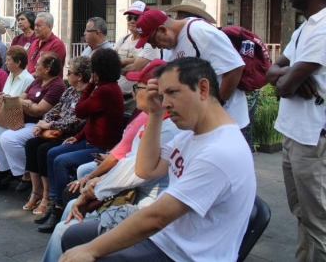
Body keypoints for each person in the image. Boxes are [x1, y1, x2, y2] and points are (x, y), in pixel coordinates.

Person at [59, 58, 256, 262]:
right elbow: (146, 169)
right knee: (73, 237)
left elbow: (157, 218)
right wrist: (154, 114)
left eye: (172, 92)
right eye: (163, 95)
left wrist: (91, 250)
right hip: (168, 239)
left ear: (203, 89)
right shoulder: (191, 136)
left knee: (86, 252)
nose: (166, 103)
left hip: (184, 254)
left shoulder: (220, 152)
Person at [41, 59, 180, 262]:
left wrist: (96, 186)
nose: (133, 93)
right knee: (69, 197)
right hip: (130, 191)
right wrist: (96, 182)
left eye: (137, 87)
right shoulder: (152, 121)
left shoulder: (168, 129)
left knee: (65, 228)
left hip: (141, 205)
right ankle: (53, 205)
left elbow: (137, 169)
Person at [266, 0, 326, 260]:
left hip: (312, 138)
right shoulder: (305, 29)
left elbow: (283, 86)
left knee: (318, 221)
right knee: (302, 213)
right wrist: (287, 78)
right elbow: (271, 72)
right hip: (293, 133)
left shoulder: (324, 28)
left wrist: (286, 80)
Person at [38, 48, 126, 233]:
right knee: (52, 152)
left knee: (61, 161)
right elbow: (93, 119)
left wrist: (89, 86)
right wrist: (77, 137)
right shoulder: (104, 88)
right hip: (89, 141)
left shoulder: (105, 90)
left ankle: (59, 208)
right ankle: (54, 201)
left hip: (100, 147)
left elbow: (80, 111)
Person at [135, 8, 249, 129]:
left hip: (228, 118)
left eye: (152, 41)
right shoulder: (170, 48)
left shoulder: (199, 31)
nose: (153, 46)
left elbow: (235, 68)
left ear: (163, 29)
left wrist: (214, 106)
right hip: (198, 121)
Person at [23, 56, 90, 218]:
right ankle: (36, 191)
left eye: (70, 72)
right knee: (31, 144)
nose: (67, 74)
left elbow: (78, 122)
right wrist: (43, 123)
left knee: (44, 150)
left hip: (71, 136)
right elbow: (55, 110)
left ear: (79, 76)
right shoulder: (70, 90)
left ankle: (48, 197)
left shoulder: (87, 94)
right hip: (56, 132)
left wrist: (51, 125)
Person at [0, 52, 66, 188]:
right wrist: (27, 104)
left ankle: (27, 173)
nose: (34, 67)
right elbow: (20, 99)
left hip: (40, 124)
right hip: (22, 119)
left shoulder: (57, 86)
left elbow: (39, 111)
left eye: (37, 64)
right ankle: (8, 170)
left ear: (47, 69)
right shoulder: (37, 80)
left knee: (8, 138)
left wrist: (25, 103)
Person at [114, 1, 160, 119]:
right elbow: (109, 60)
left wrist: (117, 64)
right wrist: (131, 60)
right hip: (118, 97)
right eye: (129, 17)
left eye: (136, 17)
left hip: (135, 100)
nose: (132, 21)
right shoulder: (123, 39)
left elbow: (135, 69)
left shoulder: (149, 43)